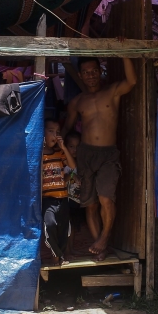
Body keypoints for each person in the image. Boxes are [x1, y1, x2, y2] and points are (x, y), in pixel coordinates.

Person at [63, 57, 136, 261]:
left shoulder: (111, 92)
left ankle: (104, 237)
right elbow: (67, 127)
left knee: (106, 197)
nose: (91, 75)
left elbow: (131, 81)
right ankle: (100, 245)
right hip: (86, 154)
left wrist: (124, 55)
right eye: (86, 72)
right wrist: (54, 145)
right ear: (80, 76)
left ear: (100, 70)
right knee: (90, 204)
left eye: (94, 71)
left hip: (108, 154)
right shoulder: (77, 102)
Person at [42, 119, 76, 266]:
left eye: (57, 132)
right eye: (51, 131)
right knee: (49, 225)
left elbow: (72, 166)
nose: (55, 135)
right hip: (47, 199)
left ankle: (57, 257)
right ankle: (57, 254)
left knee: (63, 229)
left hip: (63, 198)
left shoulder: (59, 153)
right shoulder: (38, 155)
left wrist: (64, 148)